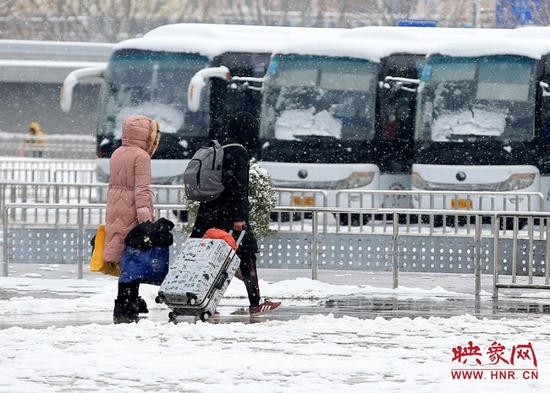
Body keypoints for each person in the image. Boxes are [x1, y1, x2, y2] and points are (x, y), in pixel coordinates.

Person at [190, 111, 281, 315]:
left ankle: (197, 298)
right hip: (229, 214)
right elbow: (238, 187)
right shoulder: (238, 151)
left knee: (207, 257)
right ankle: (255, 302)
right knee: (247, 255)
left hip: (208, 210)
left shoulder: (219, 147)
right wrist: (239, 217)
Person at [104, 115, 160, 323]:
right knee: (134, 259)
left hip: (116, 209)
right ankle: (128, 304)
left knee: (125, 259)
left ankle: (124, 301)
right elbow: (141, 190)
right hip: (132, 212)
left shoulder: (117, 153)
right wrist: (146, 220)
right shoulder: (141, 157)